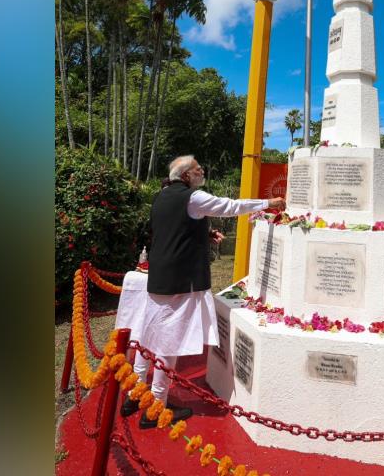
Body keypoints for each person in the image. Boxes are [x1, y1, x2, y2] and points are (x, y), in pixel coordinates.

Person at [119, 155, 284, 427]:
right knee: (167, 342)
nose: (202, 170)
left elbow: (172, 230)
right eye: (198, 168)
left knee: (148, 336)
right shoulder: (192, 197)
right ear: (186, 176)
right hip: (180, 281)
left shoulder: (162, 196)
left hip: (159, 276)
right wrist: (269, 203)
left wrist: (204, 235)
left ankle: (136, 395)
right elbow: (229, 206)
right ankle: (156, 406)